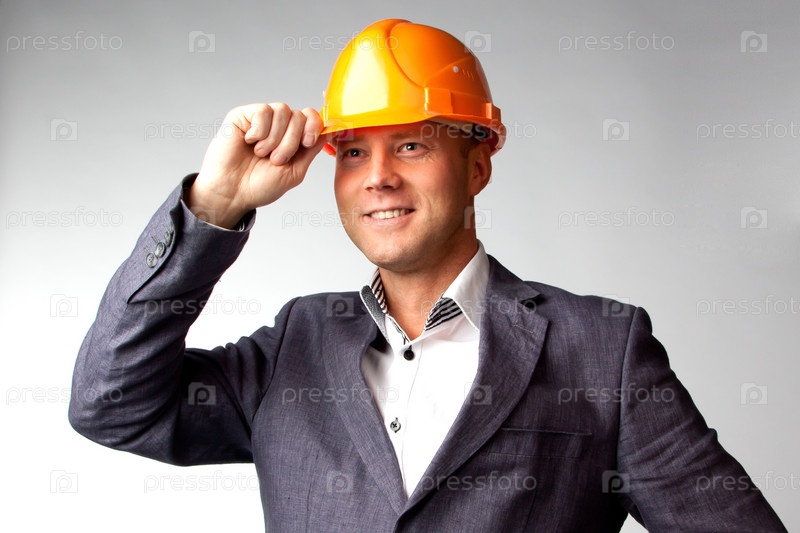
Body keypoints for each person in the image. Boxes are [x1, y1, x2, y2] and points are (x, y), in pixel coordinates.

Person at [69, 18, 786, 532]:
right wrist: (214, 206)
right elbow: (111, 404)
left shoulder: (601, 349)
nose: (377, 177)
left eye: (411, 145)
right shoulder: (296, 343)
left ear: (477, 166)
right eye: (354, 152)